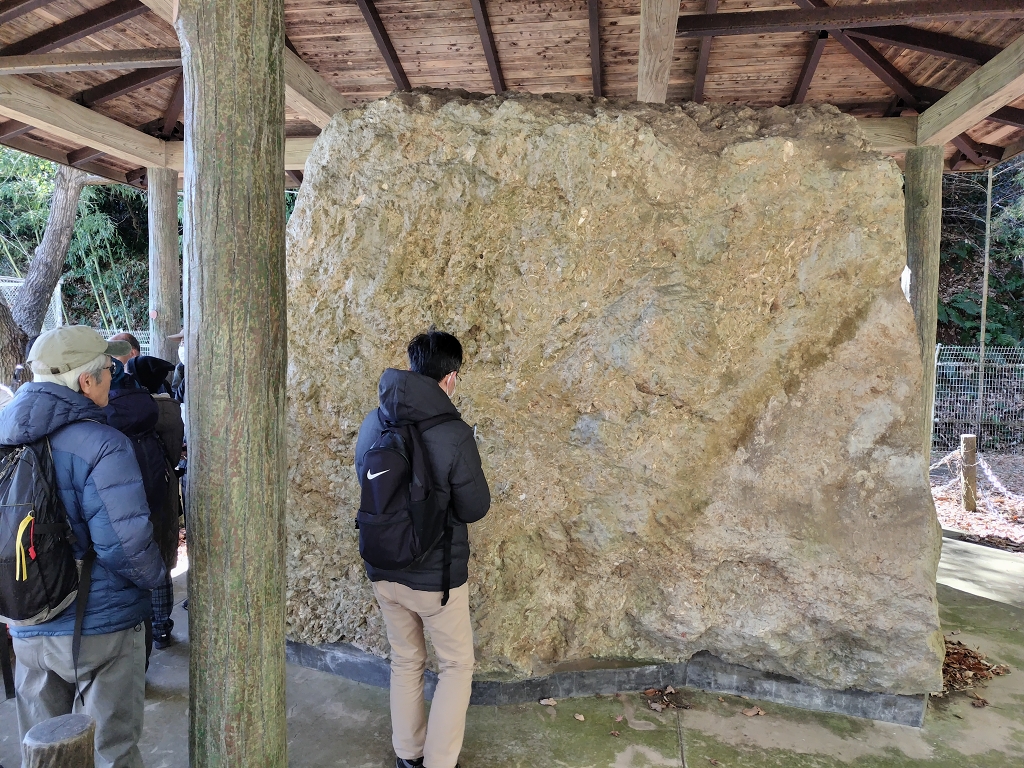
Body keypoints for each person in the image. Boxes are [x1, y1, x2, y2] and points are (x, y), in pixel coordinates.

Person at [0, 325, 166, 768]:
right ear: (84, 381)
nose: (114, 376)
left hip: (26, 620)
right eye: (108, 370)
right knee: (111, 751)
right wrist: (155, 580)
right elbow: (125, 547)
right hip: (101, 628)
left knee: (44, 750)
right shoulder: (102, 445)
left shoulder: (2, 435)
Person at [355, 330, 490, 768]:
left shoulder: (375, 420)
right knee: (455, 666)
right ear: (450, 378)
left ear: (412, 367)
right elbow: (475, 507)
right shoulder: (453, 432)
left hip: (383, 568)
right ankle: (438, 762)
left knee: (406, 659)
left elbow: (366, 480)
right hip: (436, 579)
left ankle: (407, 755)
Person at [104, 355, 183, 652]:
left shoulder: (100, 412)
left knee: (125, 563)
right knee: (159, 561)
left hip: (118, 500)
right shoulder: (165, 409)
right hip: (159, 493)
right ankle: (161, 628)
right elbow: (173, 454)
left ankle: (132, 635)